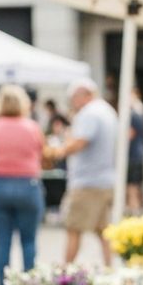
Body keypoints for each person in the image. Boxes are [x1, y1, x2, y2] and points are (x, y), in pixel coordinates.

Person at [0, 85, 46, 285]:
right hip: (28, 186)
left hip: (0, 186)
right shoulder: (33, 127)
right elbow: (45, 153)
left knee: (3, 242)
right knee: (29, 241)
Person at [52, 78, 118, 265]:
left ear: (84, 95)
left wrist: (60, 150)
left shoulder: (90, 114)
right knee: (104, 231)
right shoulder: (107, 110)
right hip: (105, 179)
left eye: (73, 98)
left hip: (87, 182)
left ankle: (66, 272)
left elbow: (81, 141)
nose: (73, 102)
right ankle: (110, 270)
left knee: (74, 228)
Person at [127, 87, 143, 212]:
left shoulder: (133, 114)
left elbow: (130, 134)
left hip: (133, 156)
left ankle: (134, 213)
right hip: (139, 154)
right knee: (135, 188)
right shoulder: (141, 112)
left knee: (132, 189)